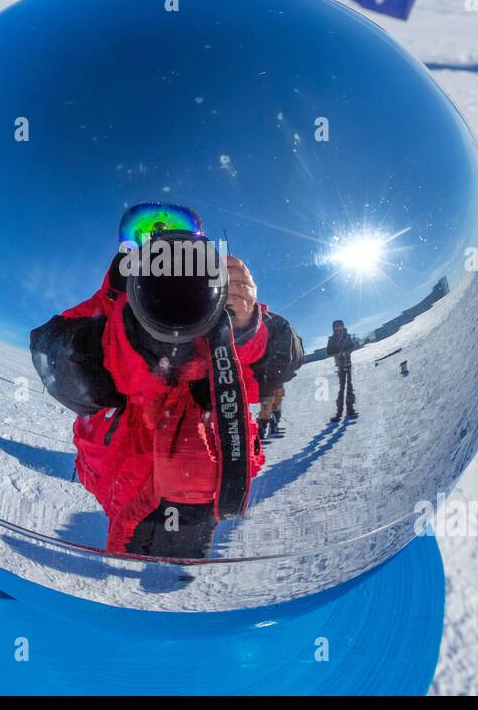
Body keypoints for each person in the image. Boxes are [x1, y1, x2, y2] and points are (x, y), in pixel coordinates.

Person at [30, 204, 303, 559]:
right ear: (126, 249)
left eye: (176, 232)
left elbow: (280, 364)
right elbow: (55, 357)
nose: (159, 241)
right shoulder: (106, 303)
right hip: (122, 475)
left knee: (184, 559)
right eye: (143, 233)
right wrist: (136, 340)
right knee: (126, 561)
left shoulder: (218, 296)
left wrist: (246, 325)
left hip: (205, 479)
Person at [327, 319, 358, 421]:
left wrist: (346, 352)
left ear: (342, 326)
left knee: (349, 386)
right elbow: (329, 352)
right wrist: (338, 353)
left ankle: (350, 410)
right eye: (336, 326)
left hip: (348, 363)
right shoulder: (331, 339)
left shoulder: (347, 336)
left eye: (340, 326)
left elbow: (352, 346)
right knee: (341, 388)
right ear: (334, 328)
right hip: (340, 365)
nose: (338, 328)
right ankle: (339, 413)